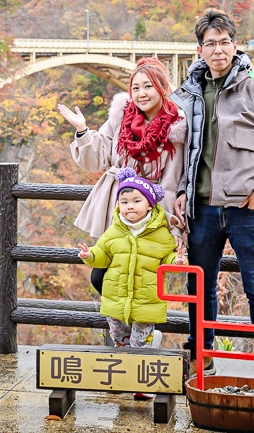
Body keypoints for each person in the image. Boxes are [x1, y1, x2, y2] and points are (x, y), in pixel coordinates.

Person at [171, 8, 254, 381]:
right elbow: (183, 151)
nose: (218, 50)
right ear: (200, 50)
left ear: (235, 46)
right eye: (211, 44)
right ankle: (202, 355)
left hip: (246, 207)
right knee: (200, 287)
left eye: (225, 42)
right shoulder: (188, 95)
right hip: (202, 208)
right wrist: (181, 191)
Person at [58, 57, 186, 295]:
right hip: (118, 209)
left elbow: (171, 182)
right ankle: (125, 333)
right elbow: (97, 158)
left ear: (163, 88)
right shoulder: (121, 119)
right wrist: (83, 131)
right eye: (135, 88)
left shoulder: (176, 128)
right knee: (103, 277)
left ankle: (141, 332)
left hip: (150, 215)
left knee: (140, 282)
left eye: (148, 86)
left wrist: (174, 228)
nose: (141, 94)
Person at [78, 168, 187, 399]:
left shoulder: (160, 233)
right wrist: (90, 256)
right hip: (116, 296)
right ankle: (124, 372)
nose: (130, 206)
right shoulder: (114, 229)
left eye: (136, 201)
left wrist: (175, 260)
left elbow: (166, 257)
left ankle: (143, 382)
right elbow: (103, 255)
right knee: (119, 336)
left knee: (140, 341)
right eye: (124, 201)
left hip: (146, 297)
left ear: (149, 205)